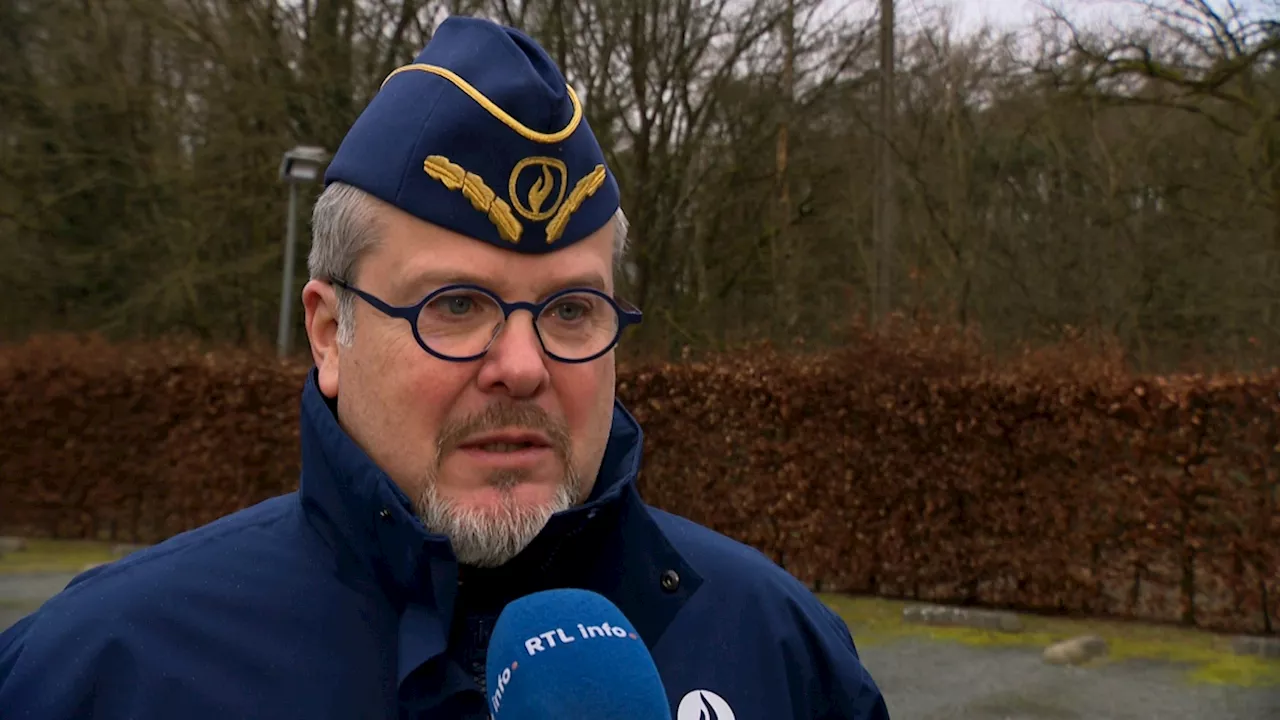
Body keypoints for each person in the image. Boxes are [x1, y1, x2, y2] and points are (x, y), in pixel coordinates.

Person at [0, 16, 890, 720]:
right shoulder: (102, 674)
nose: (522, 366)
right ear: (326, 331)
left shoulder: (778, 649)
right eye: (455, 306)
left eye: (571, 310)